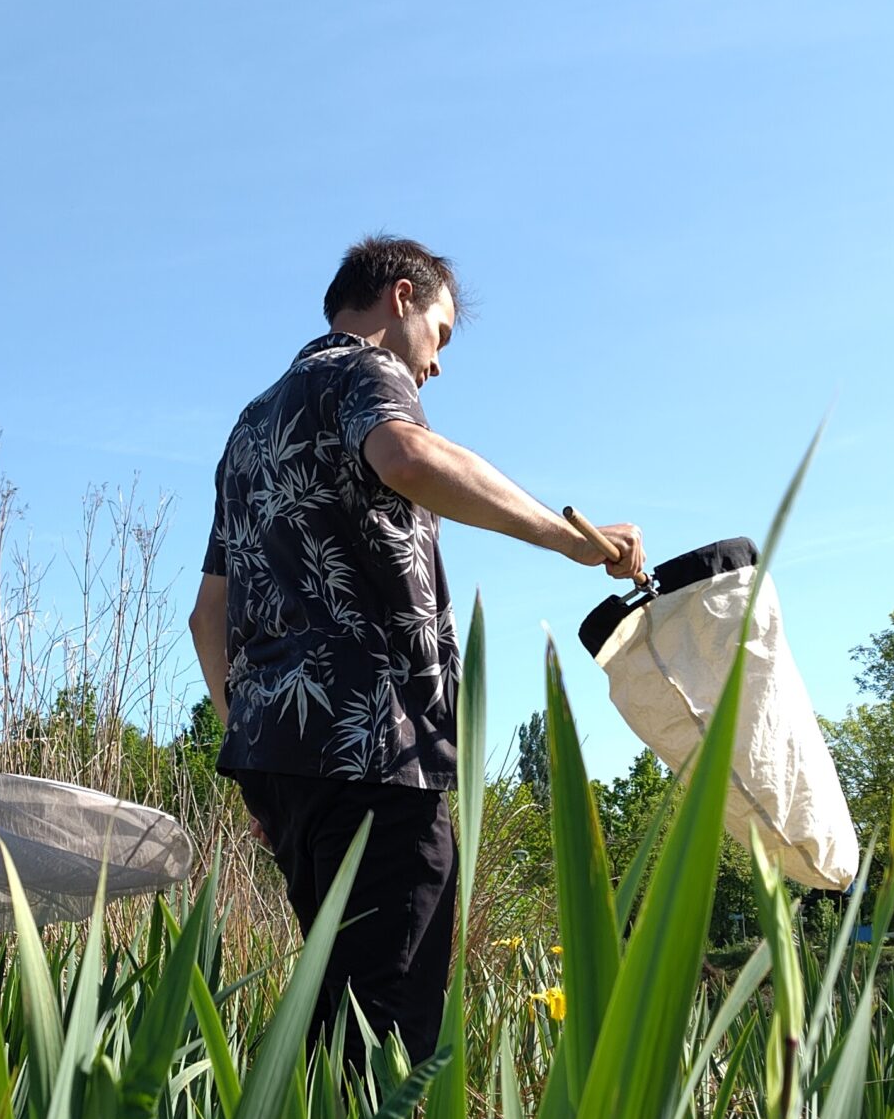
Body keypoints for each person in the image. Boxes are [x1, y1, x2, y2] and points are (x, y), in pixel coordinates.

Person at [187, 235, 644, 1065]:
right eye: (439, 332)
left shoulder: (249, 427)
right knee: (390, 1039)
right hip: (380, 751)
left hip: (284, 766)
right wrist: (566, 538)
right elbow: (407, 455)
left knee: (336, 1024)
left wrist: (251, 752)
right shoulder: (365, 369)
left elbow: (206, 616)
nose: (436, 366)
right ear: (401, 298)